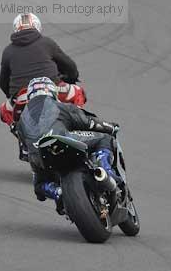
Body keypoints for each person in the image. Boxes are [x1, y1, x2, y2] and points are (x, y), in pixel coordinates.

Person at [17, 76, 122, 212]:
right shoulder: (58, 105)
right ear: (52, 91)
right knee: (105, 139)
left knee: (39, 184)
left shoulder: (21, 119)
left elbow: (24, 149)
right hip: (63, 140)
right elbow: (88, 122)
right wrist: (110, 127)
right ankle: (106, 170)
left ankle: (56, 192)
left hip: (38, 154)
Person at [0, 13, 79, 102]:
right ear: (37, 26)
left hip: (22, 97)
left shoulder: (8, 51)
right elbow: (69, 66)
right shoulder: (47, 43)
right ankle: (78, 114)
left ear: (16, 28)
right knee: (78, 92)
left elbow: (3, 81)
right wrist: (72, 77)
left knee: (5, 109)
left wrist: (11, 95)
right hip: (51, 90)